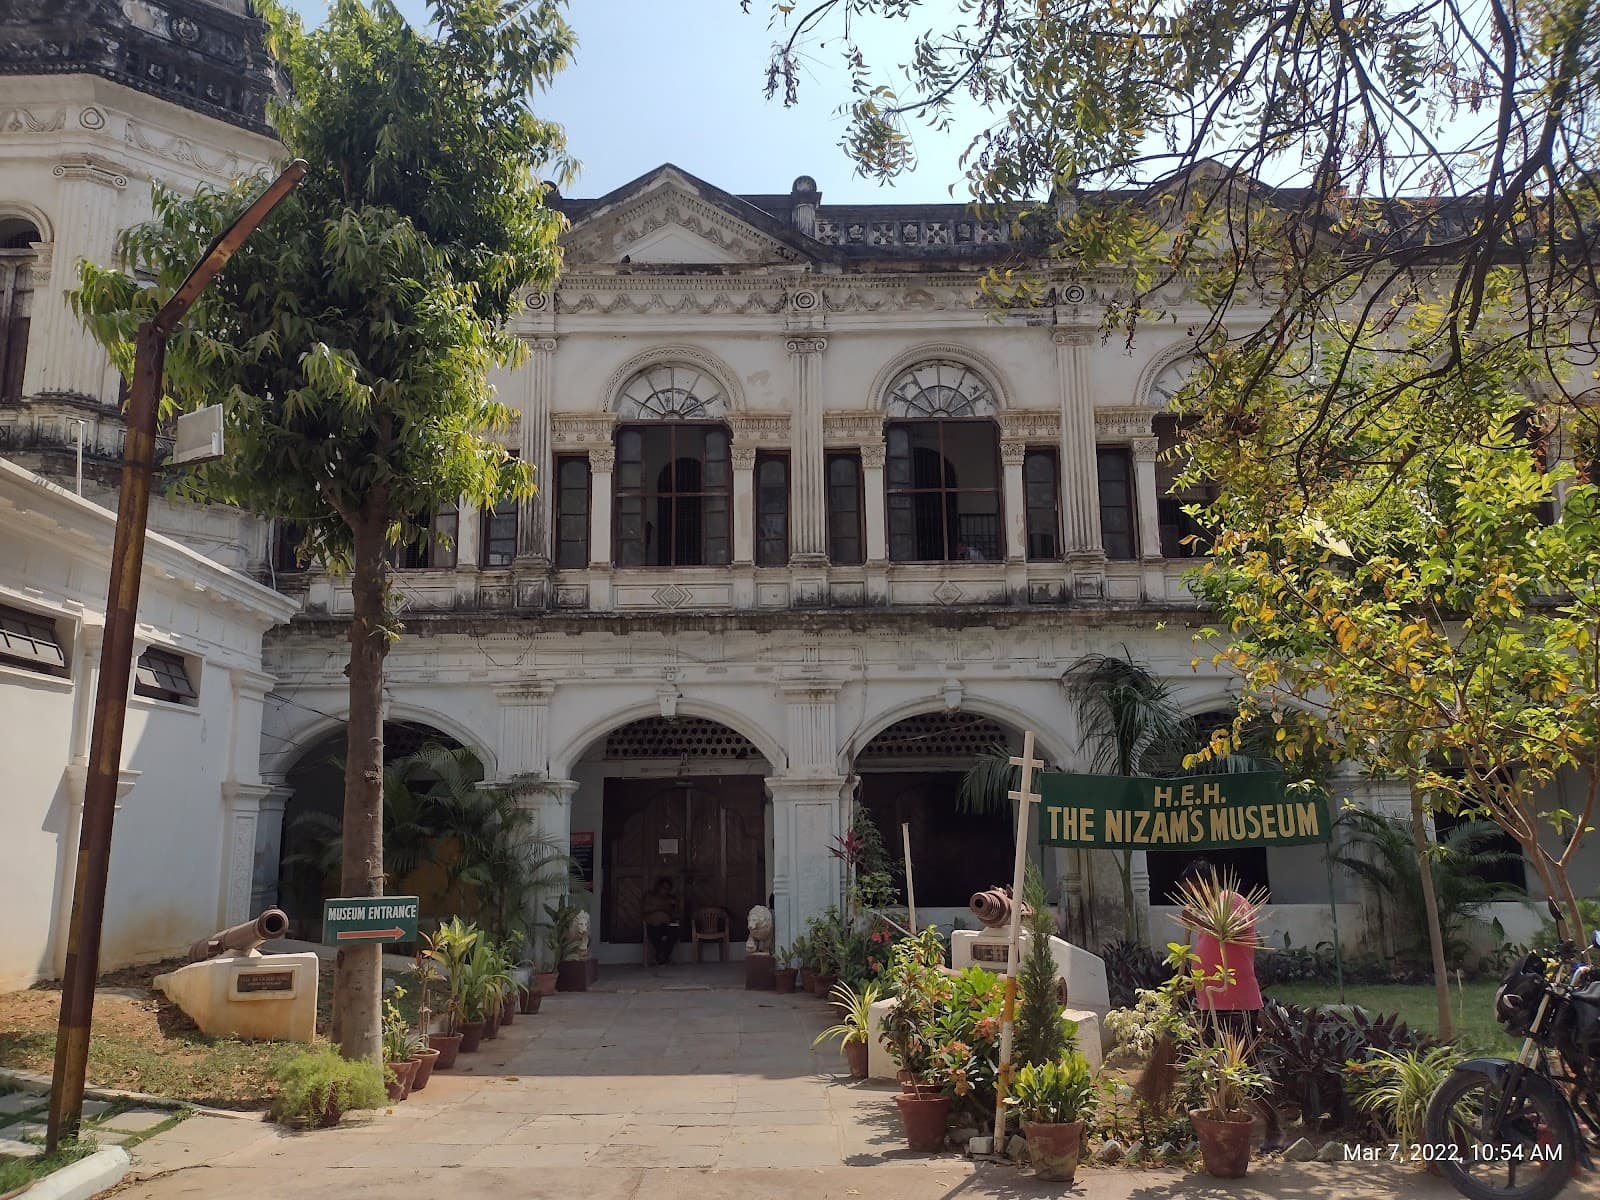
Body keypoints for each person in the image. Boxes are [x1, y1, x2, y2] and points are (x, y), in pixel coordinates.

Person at [1173, 857, 1282, 1147]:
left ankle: (1274, 1131)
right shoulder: (1208, 912)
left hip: (1237, 1002)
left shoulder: (1232, 903)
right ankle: (1223, 1126)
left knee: (1249, 1065)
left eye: (1193, 889)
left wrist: (1198, 920)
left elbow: (1234, 935)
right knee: (1216, 1066)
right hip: (1209, 1002)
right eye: (1188, 892)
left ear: (1206, 884)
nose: (1191, 897)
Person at [643, 876, 679, 966]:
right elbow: (645, 909)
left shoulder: (670, 898)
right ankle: (662, 956)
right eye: (664, 887)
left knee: (674, 933)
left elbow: (675, 914)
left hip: (667, 923)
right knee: (656, 933)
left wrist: (672, 907)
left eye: (668, 889)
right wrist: (662, 906)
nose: (665, 890)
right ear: (658, 887)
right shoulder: (650, 896)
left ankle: (662, 957)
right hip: (653, 923)